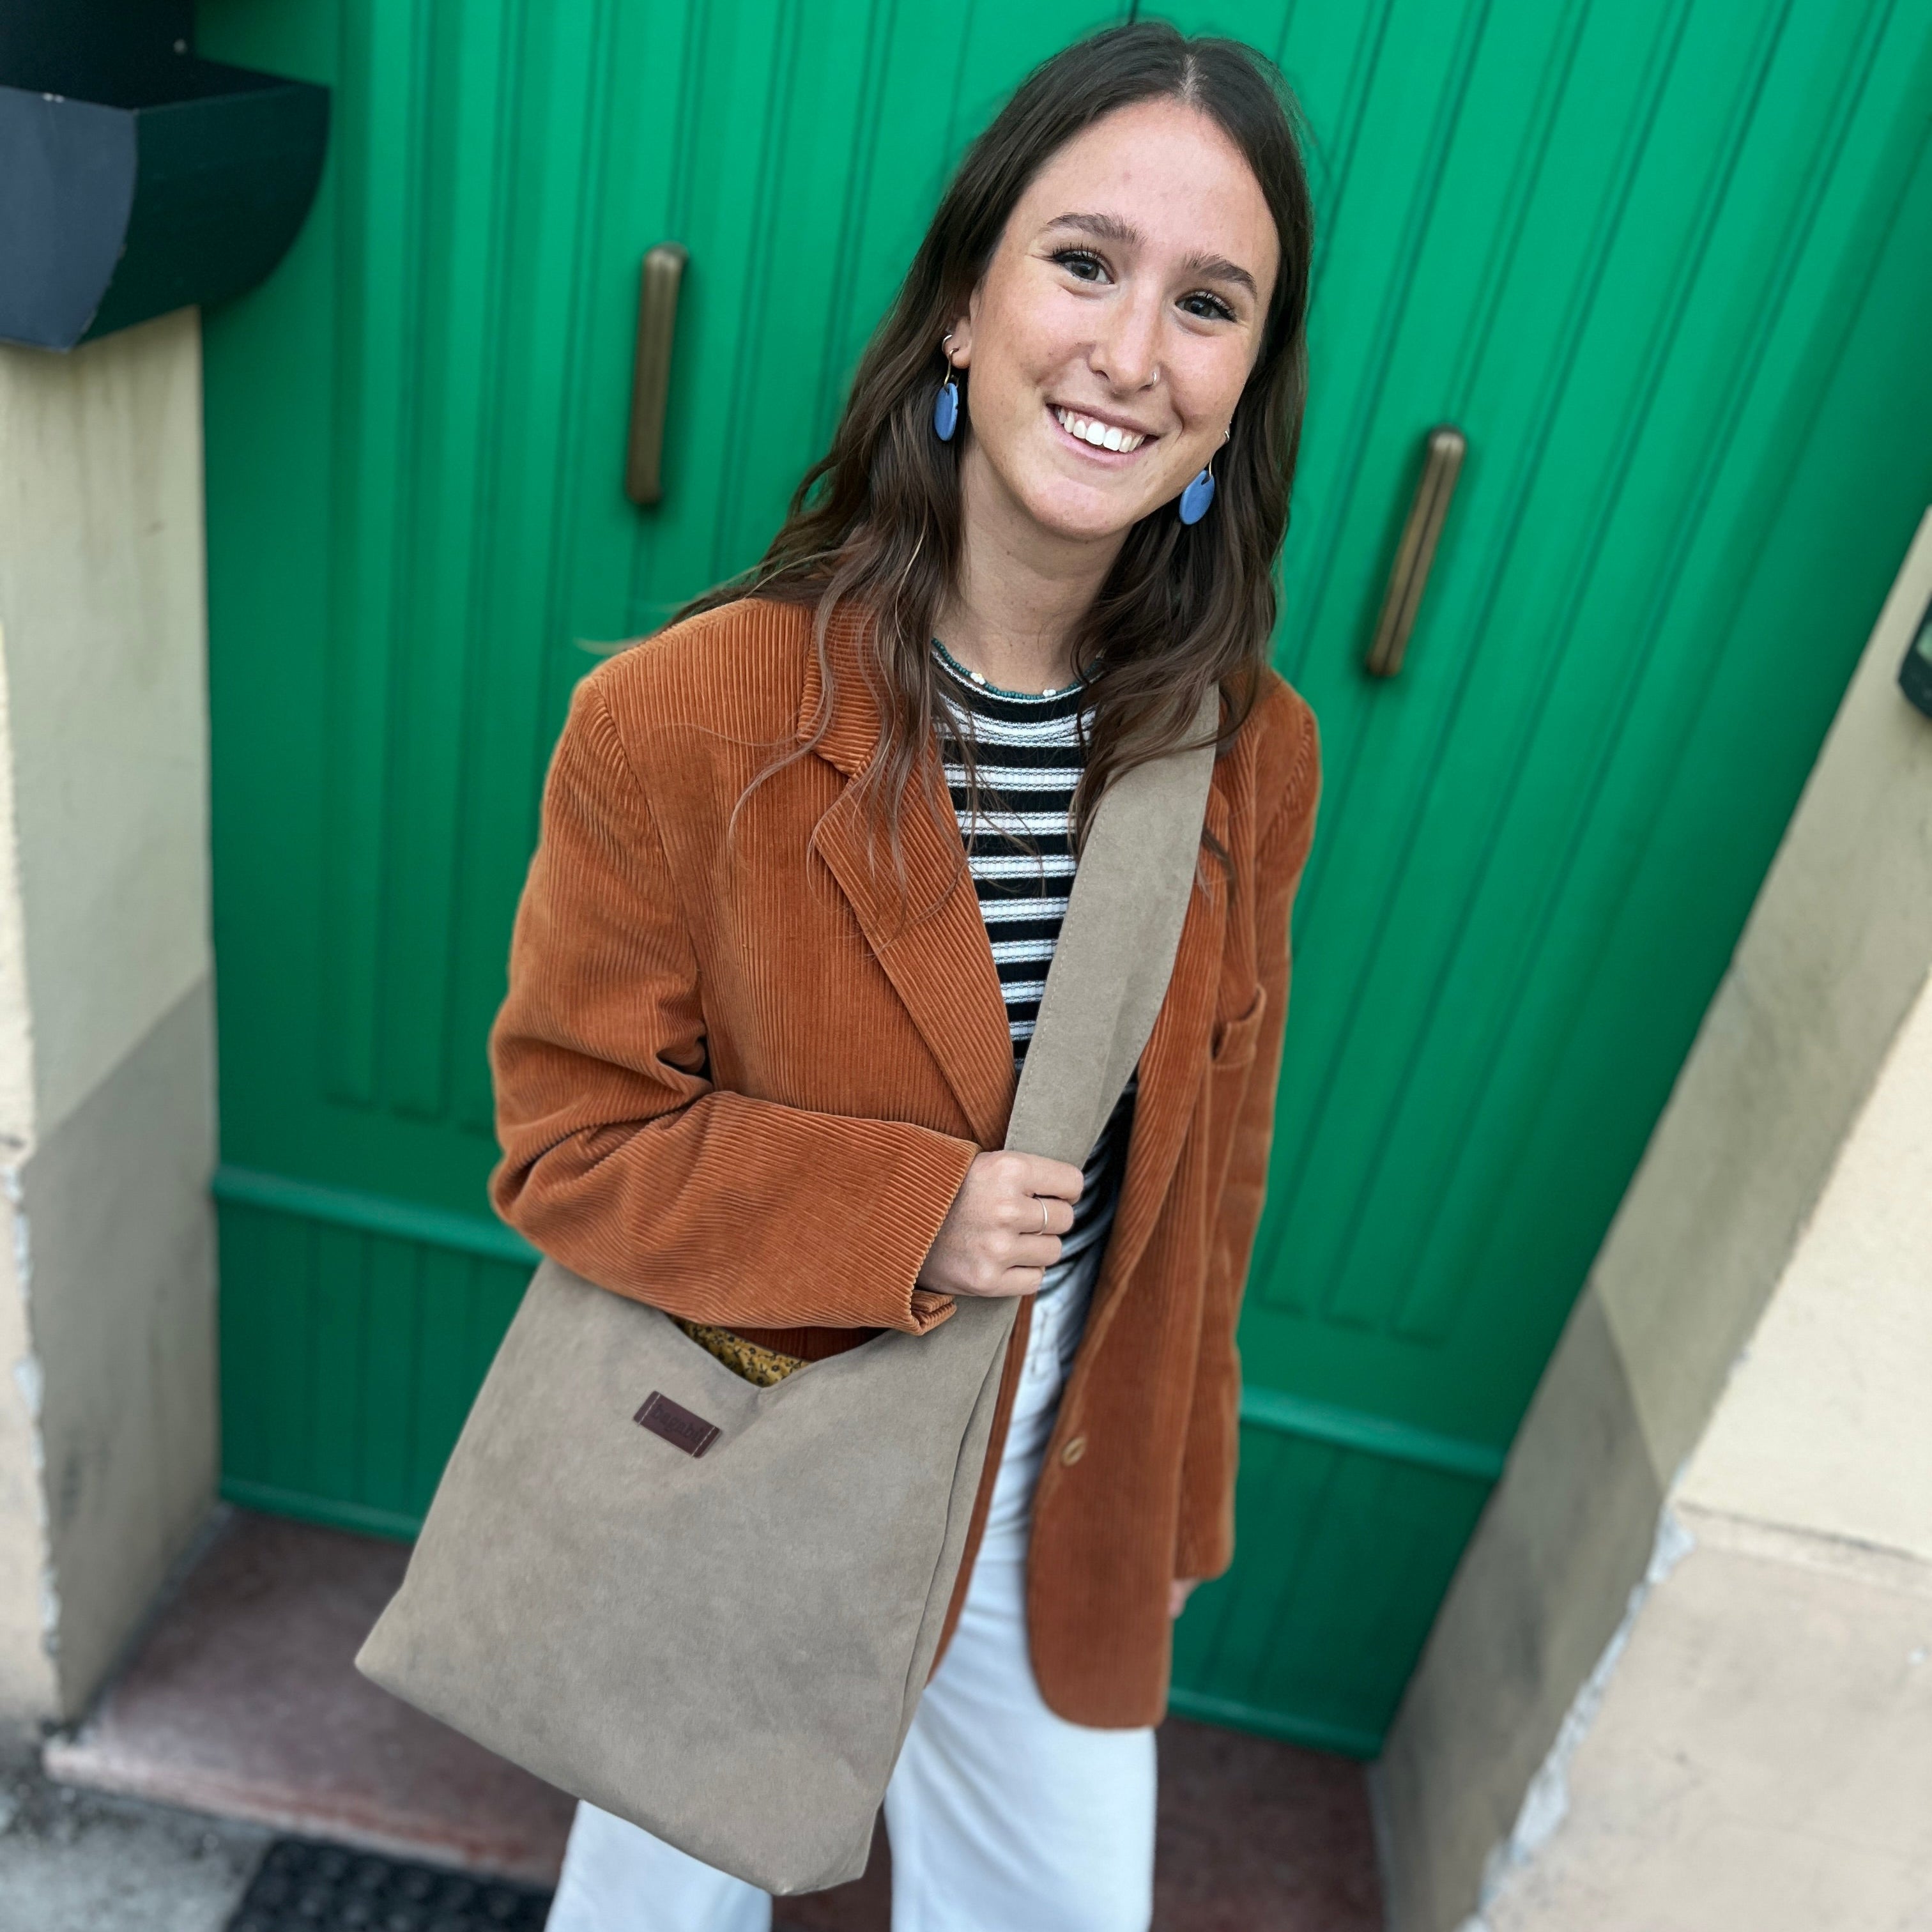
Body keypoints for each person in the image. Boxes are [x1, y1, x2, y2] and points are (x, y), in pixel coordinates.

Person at [487, 21, 1319, 1931]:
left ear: (1246, 386)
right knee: (651, 1919)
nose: (1131, 352)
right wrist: (911, 1214)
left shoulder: (1248, 748)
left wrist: (1179, 1497)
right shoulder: (684, 723)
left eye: (1209, 302)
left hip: (1054, 1508)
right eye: (1084, 261)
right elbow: (570, 1145)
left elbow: (1218, 1168)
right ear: (962, 303)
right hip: (747, 1470)